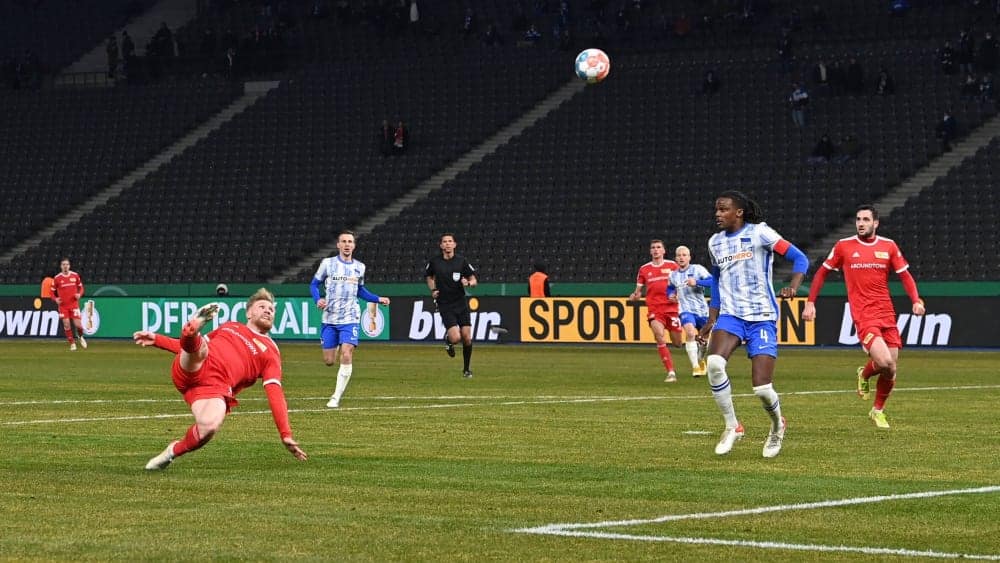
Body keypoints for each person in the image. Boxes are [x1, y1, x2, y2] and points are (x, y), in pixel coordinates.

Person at [133, 289, 308, 470]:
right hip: (196, 366)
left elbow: (274, 391)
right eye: (262, 307)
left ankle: (171, 452)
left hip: (216, 388)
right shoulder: (230, 326)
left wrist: (285, 433)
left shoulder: (271, 352)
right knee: (201, 349)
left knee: (208, 427)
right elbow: (190, 350)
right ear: (249, 313)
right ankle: (191, 331)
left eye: (271, 310)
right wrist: (159, 340)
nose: (268, 311)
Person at [698, 190, 808, 458]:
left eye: (723, 209)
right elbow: (717, 280)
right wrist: (712, 318)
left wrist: (794, 287)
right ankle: (732, 426)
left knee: (762, 388)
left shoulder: (761, 233)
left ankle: (777, 425)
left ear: (739, 212)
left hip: (761, 317)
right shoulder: (715, 242)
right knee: (714, 364)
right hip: (731, 316)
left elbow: (800, 258)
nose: (718, 214)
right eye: (716, 209)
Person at [802, 205, 925, 430]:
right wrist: (810, 303)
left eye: (866, 219)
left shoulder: (888, 246)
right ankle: (866, 375)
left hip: (886, 313)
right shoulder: (844, 246)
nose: (860, 223)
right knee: (885, 361)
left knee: (891, 368)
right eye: (858, 219)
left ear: (875, 223)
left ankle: (877, 409)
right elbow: (821, 273)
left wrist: (916, 300)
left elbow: (905, 276)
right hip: (864, 315)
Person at [310, 230, 391, 408]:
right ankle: (340, 344)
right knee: (329, 361)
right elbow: (314, 284)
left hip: (350, 317)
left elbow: (360, 290)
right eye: (344, 241)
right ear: (338, 245)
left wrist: (378, 299)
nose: (347, 244)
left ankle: (335, 397)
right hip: (329, 318)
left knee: (347, 353)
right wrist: (318, 299)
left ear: (354, 246)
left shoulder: (360, 267)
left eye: (350, 241)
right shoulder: (327, 264)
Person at [425, 233, 478, 378]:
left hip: (460, 302)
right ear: (441, 245)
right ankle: (449, 341)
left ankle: (466, 369)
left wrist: (469, 283)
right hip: (445, 304)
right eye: (445, 241)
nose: (447, 243)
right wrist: (433, 290)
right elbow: (429, 277)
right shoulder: (435, 262)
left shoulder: (462, 261)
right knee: (456, 338)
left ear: (454, 244)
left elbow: (474, 280)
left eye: (450, 241)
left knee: (467, 337)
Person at [628, 239, 681, 382]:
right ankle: (671, 372)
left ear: (663, 250)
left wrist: (677, 296)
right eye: (653, 247)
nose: (656, 250)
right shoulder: (644, 269)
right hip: (655, 309)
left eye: (658, 247)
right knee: (659, 336)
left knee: (677, 343)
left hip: (671, 309)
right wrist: (635, 296)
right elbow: (638, 291)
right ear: (650, 251)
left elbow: (681, 285)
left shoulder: (672, 266)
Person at [668, 245, 713, 377]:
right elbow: (670, 287)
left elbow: (713, 281)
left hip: (702, 310)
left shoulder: (697, 269)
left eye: (684, 255)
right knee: (690, 332)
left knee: (704, 340)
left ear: (689, 257)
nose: (681, 257)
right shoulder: (673, 275)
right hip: (685, 309)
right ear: (675, 258)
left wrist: (697, 282)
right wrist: (670, 294)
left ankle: (700, 359)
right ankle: (695, 367)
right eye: (679, 255)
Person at [50, 257, 87, 351]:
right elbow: (51, 292)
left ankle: (80, 336)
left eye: (67, 264)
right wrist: (55, 299)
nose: (65, 266)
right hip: (63, 306)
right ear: (61, 266)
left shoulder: (75, 275)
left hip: (74, 305)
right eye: (63, 264)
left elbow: (81, 288)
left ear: (69, 266)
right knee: (66, 324)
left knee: (78, 326)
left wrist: (79, 294)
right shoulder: (57, 278)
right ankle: (72, 343)